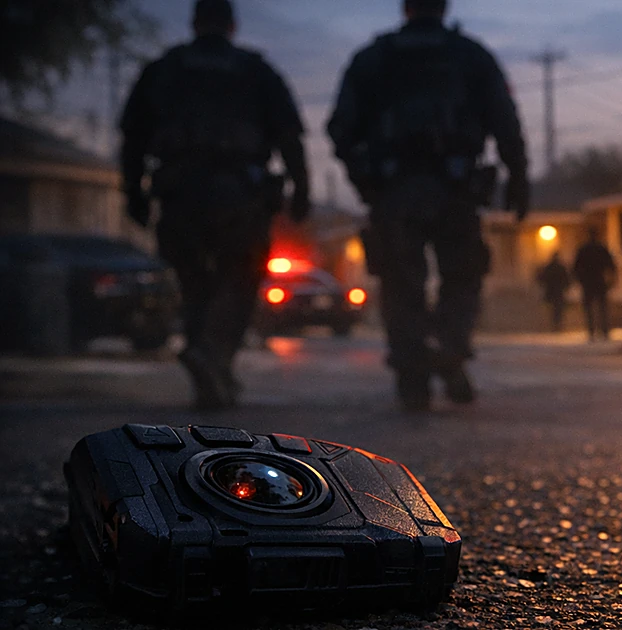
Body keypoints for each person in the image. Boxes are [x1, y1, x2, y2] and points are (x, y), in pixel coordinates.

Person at [327, 0, 529, 412]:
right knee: (463, 274)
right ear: (443, 6)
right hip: (455, 188)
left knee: (401, 282)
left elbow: (340, 128)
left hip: (394, 189)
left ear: (405, 8)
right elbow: (504, 120)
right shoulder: (470, 55)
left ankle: (413, 374)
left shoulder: (374, 58)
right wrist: (518, 178)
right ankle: (449, 346)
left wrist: (365, 176)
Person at [120, 0, 310, 410]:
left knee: (195, 282)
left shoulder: (165, 70)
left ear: (194, 23)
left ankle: (208, 359)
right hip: (239, 195)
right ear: (231, 25)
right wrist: (302, 190)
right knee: (239, 280)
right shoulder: (255, 70)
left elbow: (132, 139)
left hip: (179, 193)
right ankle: (212, 354)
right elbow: (289, 136)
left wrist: (133, 193)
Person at [572, 228, 616, 341]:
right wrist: (611, 280)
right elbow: (611, 266)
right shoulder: (600, 249)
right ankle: (603, 331)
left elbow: (576, 268)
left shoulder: (584, 250)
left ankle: (593, 331)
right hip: (598, 281)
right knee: (601, 308)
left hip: (589, 282)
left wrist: (580, 280)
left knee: (591, 308)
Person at [536, 252, 571, 332]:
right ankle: (557, 324)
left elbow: (543, 278)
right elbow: (566, 278)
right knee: (558, 308)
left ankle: (556, 324)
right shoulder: (560, 267)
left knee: (555, 309)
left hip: (553, 291)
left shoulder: (549, 267)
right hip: (558, 291)